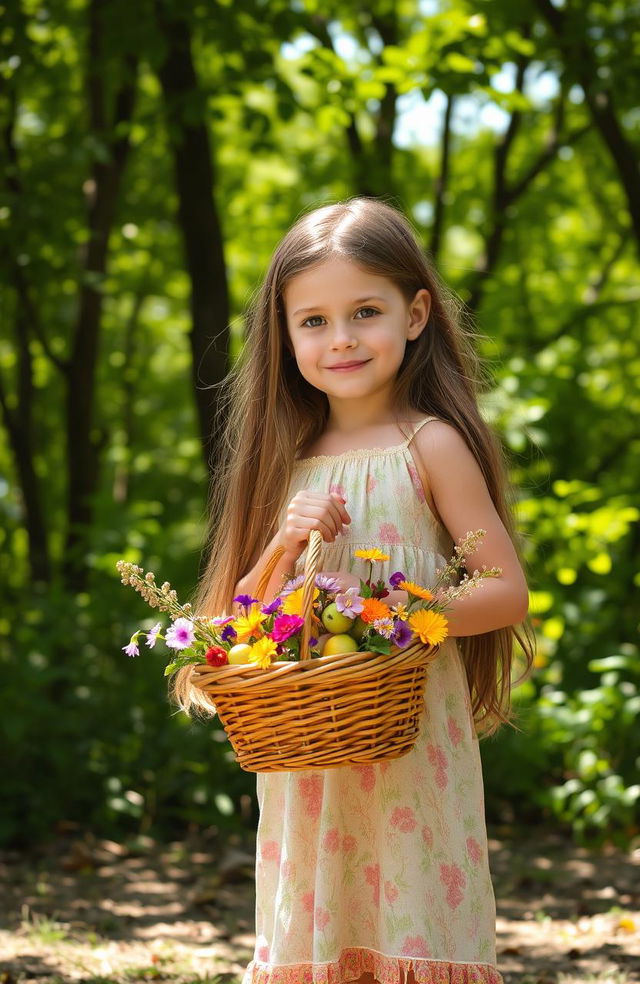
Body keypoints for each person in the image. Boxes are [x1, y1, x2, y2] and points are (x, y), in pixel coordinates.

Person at [174, 197, 535, 984]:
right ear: (285, 333)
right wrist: (283, 542)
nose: (340, 339)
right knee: (318, 925)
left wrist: (398, 616)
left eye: (364, 312)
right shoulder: (282, 457)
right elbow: (239, 624)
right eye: (314, 321)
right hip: (309, 762)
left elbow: (506, 593)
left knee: (410, 913)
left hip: (410, 747)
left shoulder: (428, 444)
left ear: (415, 315)